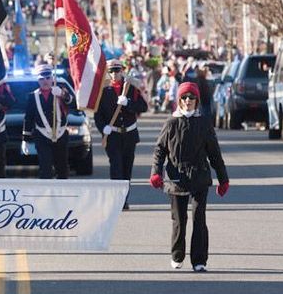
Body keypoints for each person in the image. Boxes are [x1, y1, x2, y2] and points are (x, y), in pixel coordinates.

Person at [149, 82, 230, 272]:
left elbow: (215, 154)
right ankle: (177, 256)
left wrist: (223, 179)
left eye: (191, 98)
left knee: (199, 219)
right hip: (176, 178)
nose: (188, 101)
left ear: (197, 101)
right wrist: (155, 173)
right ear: (179, 100)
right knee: (179, 220)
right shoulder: (171, 123)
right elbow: (160, 150)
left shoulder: (203, 123)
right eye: (184, 98)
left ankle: (199, 260)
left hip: (199, 178)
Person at [94, 58, 148, 210]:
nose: (114, 74)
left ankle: (124, 199)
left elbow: (143, 107)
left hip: (129, 135)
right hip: (113, 135)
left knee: (126, 170)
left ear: (122, 70)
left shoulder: (131, 87)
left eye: (117, 70)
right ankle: (117, 201)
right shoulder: (103, 91)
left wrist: (129, 103)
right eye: (111, 71)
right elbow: (98, 115)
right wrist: (102, 128)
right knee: (116, 168)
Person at [22, 64, 73, 179]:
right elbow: (28, 118)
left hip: (60, 134)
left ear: (52, 78)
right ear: (38, 80)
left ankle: (62, 193)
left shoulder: (60, 91)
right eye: (41, 79)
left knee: (62, 168)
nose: (45, 81)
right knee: (45, 168)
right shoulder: (33, 96)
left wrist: (62, 94)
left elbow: (72, 103)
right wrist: (25, 139)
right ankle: (46, 194)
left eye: (48, 78)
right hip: (42, 136)